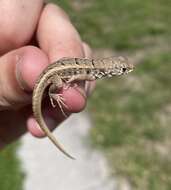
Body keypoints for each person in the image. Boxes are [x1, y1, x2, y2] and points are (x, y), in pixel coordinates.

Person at [0, 1, 94, 148]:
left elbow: (79, 75)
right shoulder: (91, 72)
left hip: (54, 71)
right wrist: (57, 92)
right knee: (58, 84)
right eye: (123, 70)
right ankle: (52, 94)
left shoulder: (92, 71)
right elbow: (78, 76)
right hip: (52, 74)